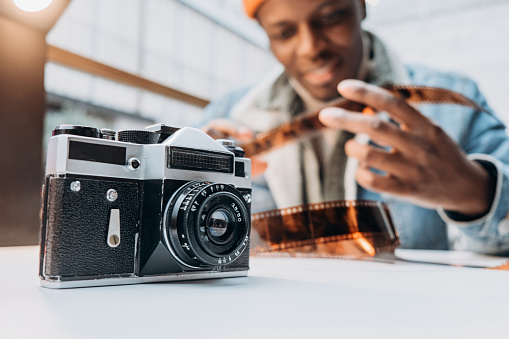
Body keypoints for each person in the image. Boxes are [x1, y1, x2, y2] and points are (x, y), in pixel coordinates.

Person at [201, 0, 509, 255]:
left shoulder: (450, 104)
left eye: (331, 17)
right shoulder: (226, 116)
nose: (311, 48)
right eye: (284, 33)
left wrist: (476, 191)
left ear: (361, 6)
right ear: (265, 36)